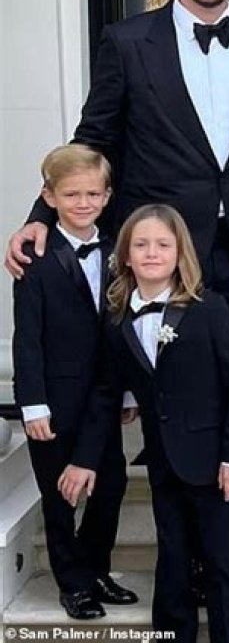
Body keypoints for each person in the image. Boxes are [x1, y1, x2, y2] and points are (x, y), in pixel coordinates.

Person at [5, 0, 229, 597]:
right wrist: (42, 213)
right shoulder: (129, 41)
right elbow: (94, 137)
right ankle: (182, 558)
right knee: (172, 412)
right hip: (164, 263)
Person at [59, 204, 229, 643]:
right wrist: (85, 459)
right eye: (141, 245)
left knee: (223, 564)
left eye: (163, 245)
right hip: (164, 462)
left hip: (215, 463)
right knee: (172, 559)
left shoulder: (209, 309)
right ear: (125, 256)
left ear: (180, 254)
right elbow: (106, 392)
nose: (152, 253)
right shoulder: (117, 319)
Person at [12, 144, 136, 620]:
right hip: (53, 399)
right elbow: (27, 338)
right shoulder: (34, 256)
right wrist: (33, 404)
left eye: (92, 194)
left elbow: (123, 331)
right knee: (59, 495)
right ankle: (73, 583)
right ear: (50, 197)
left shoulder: (118, 253)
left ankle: (96, 569)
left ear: (106, 196)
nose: (83, 203)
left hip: (103, 397)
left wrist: (126, 391)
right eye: (71, 195)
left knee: (111, 484)